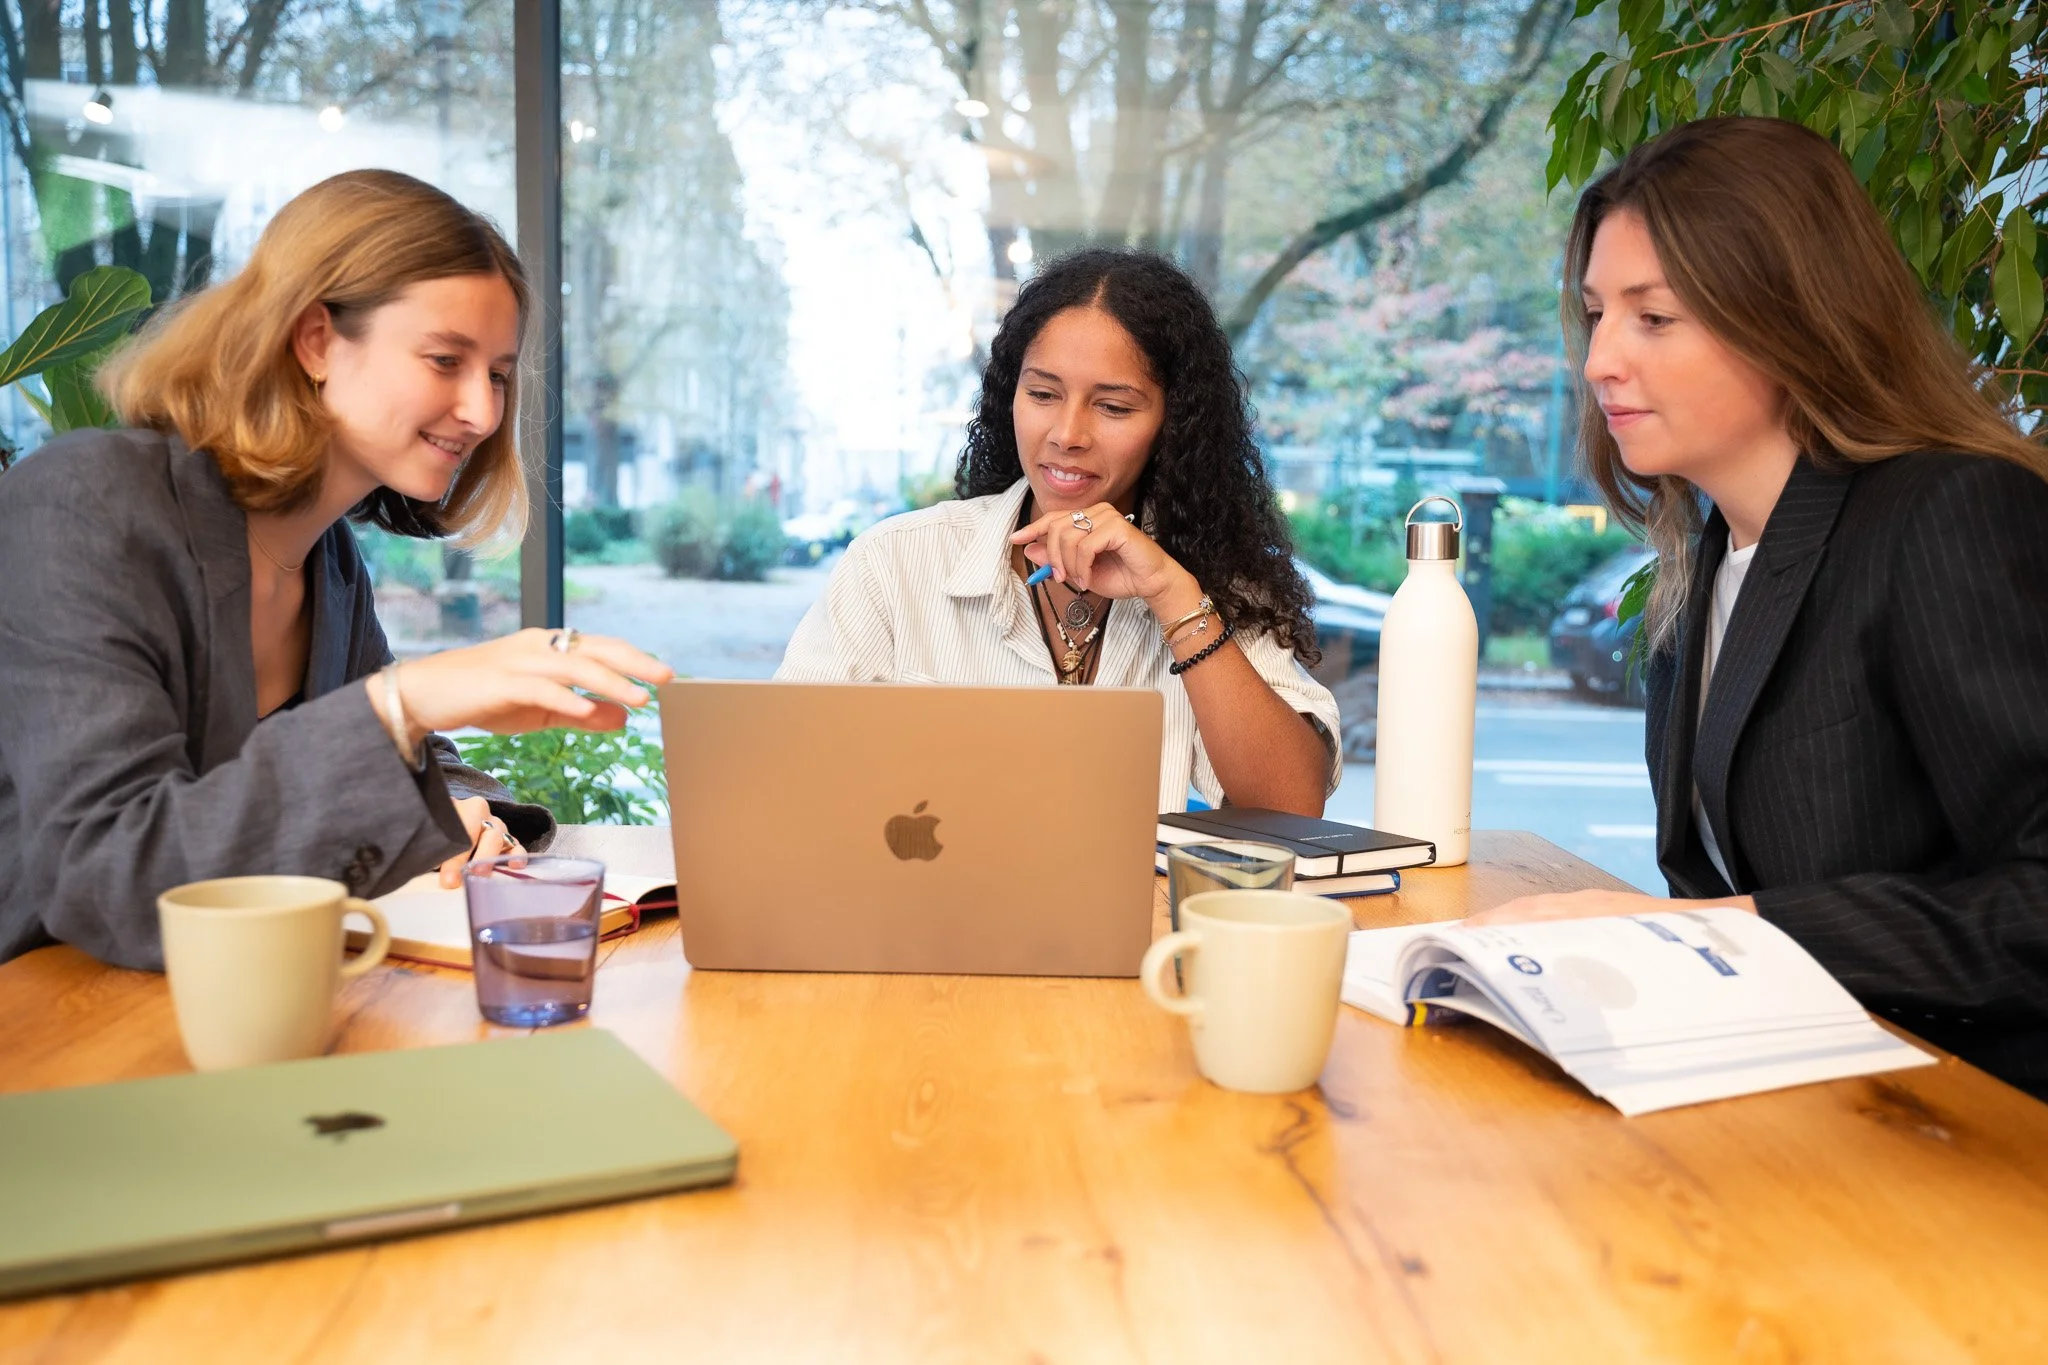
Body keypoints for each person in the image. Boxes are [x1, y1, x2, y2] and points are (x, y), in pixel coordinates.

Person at [1468, 117, 2048, 1097]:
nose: (1600, 360)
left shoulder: (1950, 514)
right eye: (1594, 313)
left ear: (1787, 316)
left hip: (1975, 1139)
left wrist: (1700, 932)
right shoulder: (1709, 556)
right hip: (1800, 1109)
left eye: (1651, 319)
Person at [0, 170, 672, 971]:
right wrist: (405, 701)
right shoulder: (85, 504)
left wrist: (461, 811)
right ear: (316, 339)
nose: (485, 413)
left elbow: (420, 765)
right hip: (47, 1017)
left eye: (496, 372)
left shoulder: (329, 565)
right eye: (444, 358)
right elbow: (111, 877)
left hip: (219, 1005)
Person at [777, 248, 1339, 815]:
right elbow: (780, 773)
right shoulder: (892, 562)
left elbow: (1291, 805)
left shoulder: (1211, 580)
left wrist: (1174, 596)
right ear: (1010, 395)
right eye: (1043, 394)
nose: (1067, 434)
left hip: (1131, 906)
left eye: (1114, 407)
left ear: (1175, 424)